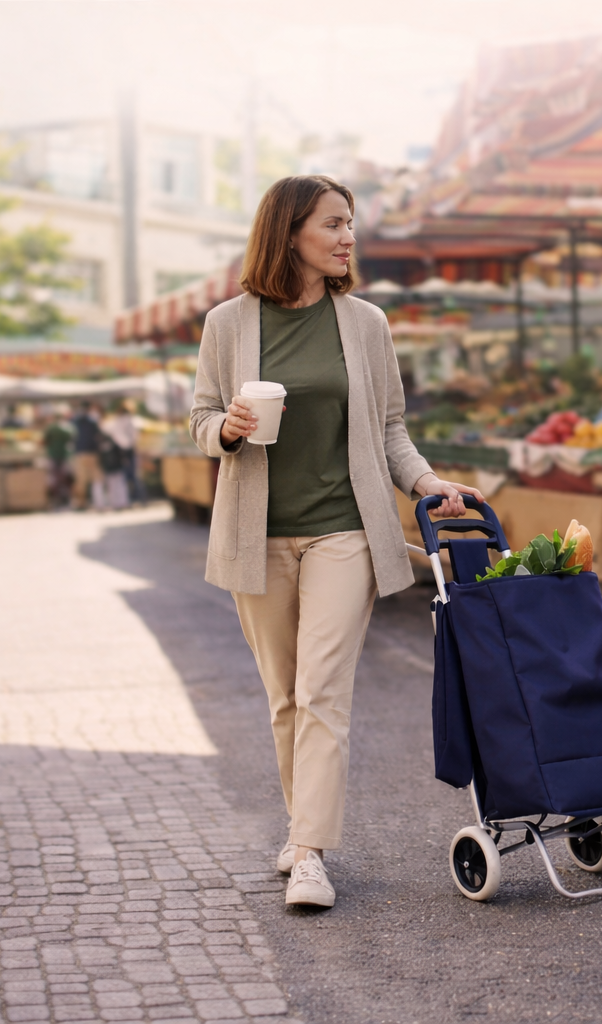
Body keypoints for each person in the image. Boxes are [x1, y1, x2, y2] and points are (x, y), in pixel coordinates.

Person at [189, 174, 482, 910]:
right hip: (257, 535)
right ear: (290, 232)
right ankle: (300, 826)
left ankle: (312, 853)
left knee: (323, 692)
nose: (348, 236)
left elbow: (389, 430)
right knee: (285, 697)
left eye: (350, 223)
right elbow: (197, 419)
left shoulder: (366, 324)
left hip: (344, 532)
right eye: (333, 223)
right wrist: (225, 428)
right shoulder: (228, 324)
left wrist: (428, 486)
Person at [101, 401, 137, 509]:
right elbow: (132, 438)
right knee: (123, 478)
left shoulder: (115, 421)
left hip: (117, 451)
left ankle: (117, 502)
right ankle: (125, 501)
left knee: (115, 479)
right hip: (123, 451)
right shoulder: (129, 421)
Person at [70, 402, 103, 510]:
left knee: (82, 480)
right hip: (91, 453)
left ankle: (82, 503)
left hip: (81, 453)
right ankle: (98, 502)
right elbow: (98, 437)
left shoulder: (76, 421)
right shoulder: (92, 421)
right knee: (95, 479)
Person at [42, 413, 75, 508]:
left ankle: (58, 500)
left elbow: (45, 441)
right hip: (63, 455)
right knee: (65, 479)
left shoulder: (51, 428)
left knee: (55, 479)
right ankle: (64, 500)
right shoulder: (67, 427)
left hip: (56, 455)